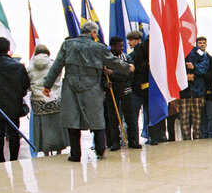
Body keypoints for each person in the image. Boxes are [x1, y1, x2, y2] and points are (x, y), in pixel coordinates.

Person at [43, 21, 133, 161]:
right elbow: (113, 62)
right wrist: (127, 67)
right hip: (92, 86)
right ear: (93, 33)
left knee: (72, 121)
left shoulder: (67, 45)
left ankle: (75, 154)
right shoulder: (99, 47)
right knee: (97, 119)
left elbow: (57, 65)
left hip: (70, 86)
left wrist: (47, 85)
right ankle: (100, 150)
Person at [27, 44, 69, 155]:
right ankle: (59, 150)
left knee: (42, 127)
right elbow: (58, 78)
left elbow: (27, 84)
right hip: (55, 98)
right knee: (57, 125)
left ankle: (45, 151)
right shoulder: (54, 64)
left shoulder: (30, 68)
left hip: (38, 101)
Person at [104, 37, 141, 150]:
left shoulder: (126, 57)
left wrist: (114, 73)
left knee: (130, 117)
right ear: (113, 46)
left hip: (126, 89)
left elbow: (129, 72)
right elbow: (102, 74)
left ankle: (133, 141)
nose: (121, 48)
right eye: (119, 46)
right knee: (113, 118)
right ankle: (115, 142)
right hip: (112, 91)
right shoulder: (106, 59)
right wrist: (105, 83)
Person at [177, 37, 208, 140]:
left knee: (197, 120)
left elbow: (204, 67)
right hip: (183, 92)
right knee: (184, 119)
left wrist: (194, 68)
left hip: (197, 91)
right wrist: (184, 77)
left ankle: (197, 140)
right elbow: (173, 69)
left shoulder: (198, 51)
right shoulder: (178, 51)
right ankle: (186, 140)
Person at [125, 30, 146, 143]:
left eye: (131, 40)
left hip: (139, 87)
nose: (129, 42)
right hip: (136, 88)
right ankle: (135, 139)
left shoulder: (138, 54)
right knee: (134, 116)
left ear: (138, 40)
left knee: (136, 116)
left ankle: (135, 140)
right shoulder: (130, 55)